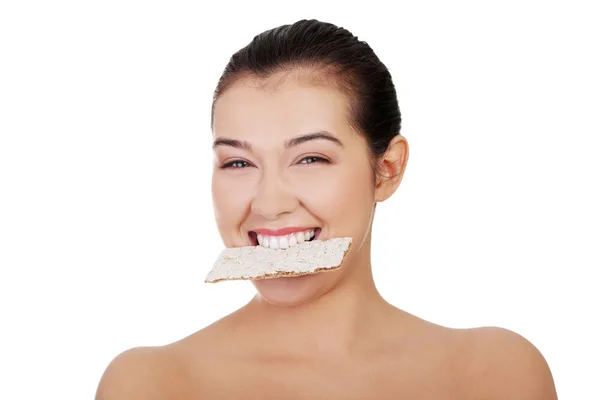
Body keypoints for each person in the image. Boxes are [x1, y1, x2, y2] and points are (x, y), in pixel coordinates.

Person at [95, 19, 557, 399]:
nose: (269, 204)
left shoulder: (496, 375)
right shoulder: (148, 384)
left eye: (311, 158)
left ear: (387, 169)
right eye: (238, 162)